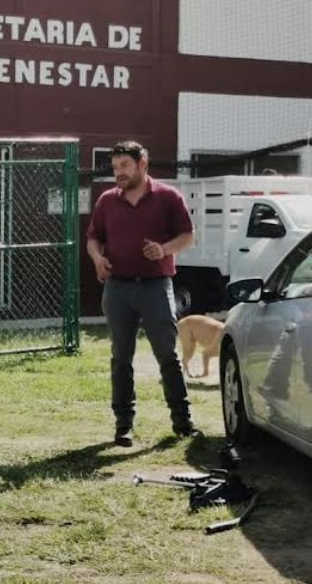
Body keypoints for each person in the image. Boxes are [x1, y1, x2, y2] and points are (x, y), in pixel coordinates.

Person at [85, 140, 200, 447]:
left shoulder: (167, 197)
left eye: (124, 166)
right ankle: (123, 425)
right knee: (121, 357)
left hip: (155, 286)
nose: (118, 173)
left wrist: (163, 249)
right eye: (115, 167)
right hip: (118, 287)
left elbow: (188, 236)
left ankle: (183, 422)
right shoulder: (107, 201)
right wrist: (98, 259)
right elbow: (94, 238)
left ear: (142, 164)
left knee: (167, 355)